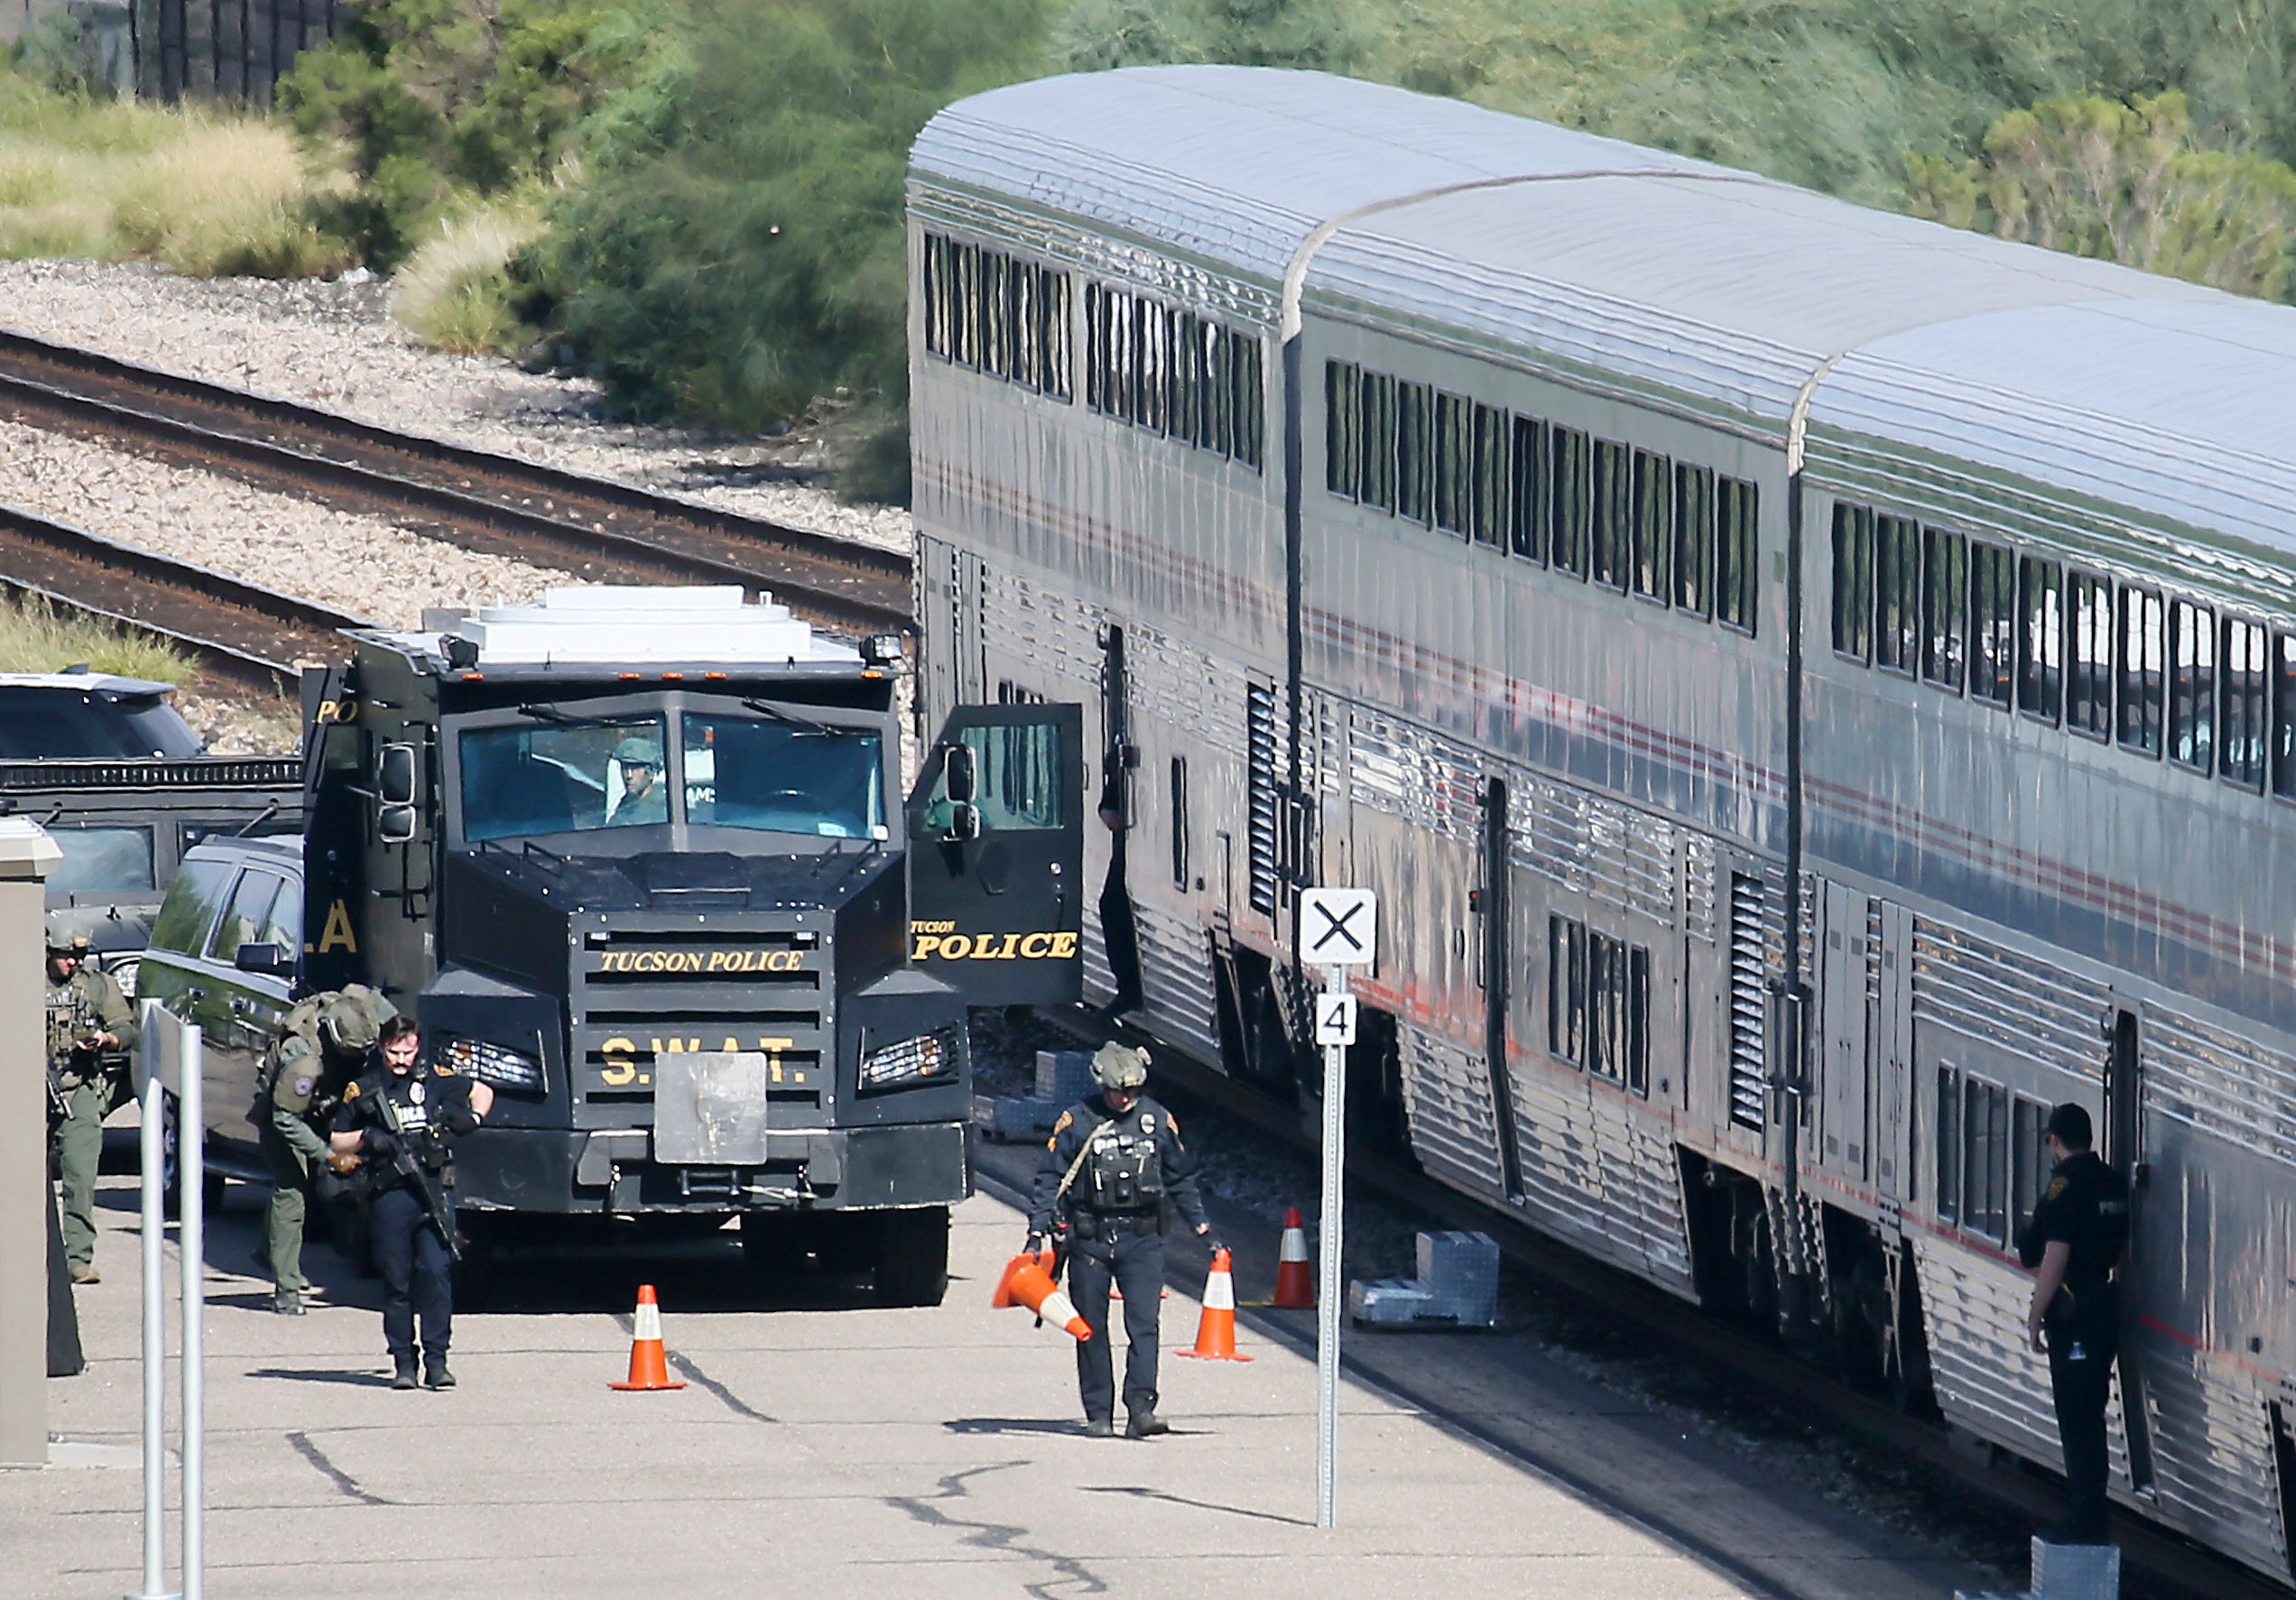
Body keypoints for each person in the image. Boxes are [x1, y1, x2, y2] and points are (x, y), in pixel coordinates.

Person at [1028, 1042, 1215, 1438]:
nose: (1126, 1098)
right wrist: (1036, 1232)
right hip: (1089, 1241)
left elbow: (1179, 1177)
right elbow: (1048, 1179)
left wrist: (1202, 1227)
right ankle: (1098, 1413)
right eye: (1118, 1091)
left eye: (1133, 1090)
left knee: (1144, 1325)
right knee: (1090, 1327)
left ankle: (1141, 1410)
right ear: (1102, 1086)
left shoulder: (1157, 1120)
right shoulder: (1077, 1121)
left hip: (1142, 1240)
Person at [329, 1016, 491, 1390]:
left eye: (408, 1051)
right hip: (390, 1195)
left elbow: (482, 1090)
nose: (401, 1059)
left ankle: (438, 1361)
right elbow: (337, 1141)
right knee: (397, 1283)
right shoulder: (366, 1087)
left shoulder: (434, 1078)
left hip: (433, 1189)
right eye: (394, 1051)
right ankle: (404, 1362)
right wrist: (367, 1138)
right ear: (383, 1048)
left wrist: (473, 1118)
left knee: (436, 1273)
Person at [2018, 1101, 2130, 1545]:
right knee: (2091, 1416)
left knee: (2076, 1420)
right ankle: (2090, 1516)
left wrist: (2033, 1319)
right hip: (2104, 1308)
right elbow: (2123, 1254)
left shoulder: (2066, 1187)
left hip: (2074, 1314)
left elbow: (2054, 1257)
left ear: (2055, 1141)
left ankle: (2084, 1520)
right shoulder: (2113, 1182)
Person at [255, 985, 396, 1314]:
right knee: (292, 1189)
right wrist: (329, 1155)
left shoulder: (365, 1008)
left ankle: (270, 1250)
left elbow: (399, 1026)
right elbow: (285, 1119)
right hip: (285, 1113)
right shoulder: (302, 1059)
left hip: (329, 1103)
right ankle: (286, 1288)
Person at [44, 919, 136, 1286]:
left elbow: (126, 1028)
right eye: (67, 955)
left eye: (79, 955)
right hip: (27, 1088)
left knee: (81, 1176)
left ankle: (78, 1257)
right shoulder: (19, 976)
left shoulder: (97, 985)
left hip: (78, 1085)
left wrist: (106, 1039)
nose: (73, 963)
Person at [1095, 740, 1143, 1019]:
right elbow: (1109, 803)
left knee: (1112, 905)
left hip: (1129, 848)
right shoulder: (1117, 764)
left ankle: (1128, 990)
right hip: (1125, 846)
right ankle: (1128, 989)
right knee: (1111, 905)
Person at [606, 735, 668, 827]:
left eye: (635, 768)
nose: (629, 775)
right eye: (625, 768)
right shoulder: (626, 804)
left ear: (650, 773)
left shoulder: (661, 810)